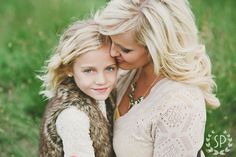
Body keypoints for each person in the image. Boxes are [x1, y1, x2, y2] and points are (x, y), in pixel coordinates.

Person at [94, 0, 220, 156]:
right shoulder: (127, 69)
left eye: (125, 49)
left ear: (156, 48)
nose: (112, 52)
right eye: (111, 41)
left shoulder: (179, 107)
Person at [38, 19, 117, 157]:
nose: (101, 80)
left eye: (109, 68)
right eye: (88, 71)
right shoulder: (73, 118)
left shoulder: (95, 91)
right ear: (69, 68)